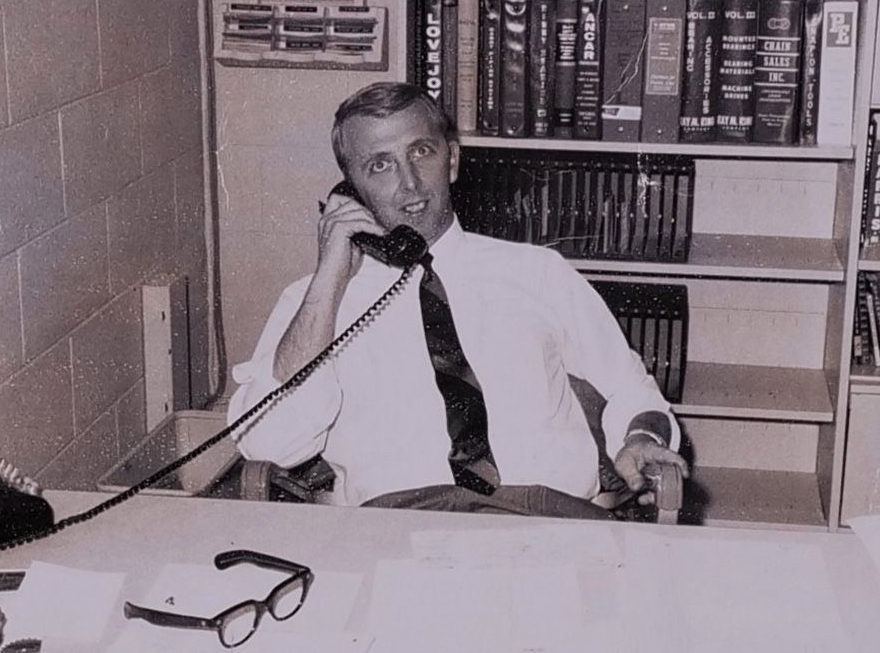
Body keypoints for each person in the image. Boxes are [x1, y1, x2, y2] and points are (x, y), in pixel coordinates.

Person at [228, 82, 687, 517]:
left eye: (421, 152)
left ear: (451, 160)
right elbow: (268, 445)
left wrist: (641, 438)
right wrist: (329, 280)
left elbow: (630, 387)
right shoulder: (313, 302)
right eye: (380, 166)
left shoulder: (537, 272)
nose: (410, 184)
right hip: (395, 528)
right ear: (351, 191)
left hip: (547, 523)